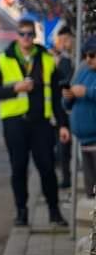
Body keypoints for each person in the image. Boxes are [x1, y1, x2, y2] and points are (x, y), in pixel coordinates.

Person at [0, 18, 70, 227]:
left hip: (41, 123)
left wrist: (62, 124)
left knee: (47, 167)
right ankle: (22, 212)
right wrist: (15, 88)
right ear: (17, 35)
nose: (26, 38)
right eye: (22, 34)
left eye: (30, 34)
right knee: (18, 168)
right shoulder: (5, 59)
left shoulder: (46, 58)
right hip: (14, 123)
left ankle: (54, 212)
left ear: (34, 36)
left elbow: (58, 94)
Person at [64, 35, 96, 198]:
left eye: (92, 55)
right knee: (91, 191)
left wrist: (87, 92)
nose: (88, 59)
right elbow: (67, 104)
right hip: (84, 141)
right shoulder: (83, 71)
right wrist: (68, 97)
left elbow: (89, 93)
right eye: (86, 55)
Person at [54, 26, 75, 189]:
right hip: (62, 109)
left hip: (72, 109)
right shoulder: (60, 59)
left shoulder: (70, 60)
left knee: (66, 146)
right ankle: (66, 177)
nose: (63, 44)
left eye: (66, 40)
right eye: (61, 40)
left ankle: (67, 178)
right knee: (63, 147)